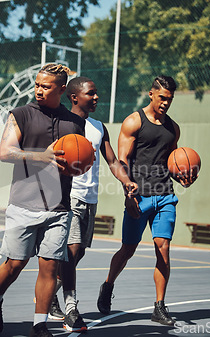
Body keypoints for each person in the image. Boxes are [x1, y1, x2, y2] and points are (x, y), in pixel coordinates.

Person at [0, 63, 85, 337]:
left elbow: (80, 158)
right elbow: (6, 152)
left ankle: (39, 325)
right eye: (37, 84)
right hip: (23, 203)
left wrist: (79, 164)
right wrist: (42, 156)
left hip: (59, 207)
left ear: (62, 89)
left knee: (50, 266)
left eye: (46, 86)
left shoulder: (75, 122)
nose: (38, 90)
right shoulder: (21, 114)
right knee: (15, 265)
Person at [96, 75, 196, 326]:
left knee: (163, 249)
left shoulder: (173, 128)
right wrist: (128, 195)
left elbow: (173, 160)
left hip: (165, 196)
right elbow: (122, 161)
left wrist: (183, 176)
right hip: (139, 196)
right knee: (128, 249)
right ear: (151, 94)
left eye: (170, 99)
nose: (165, 103)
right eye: (162, 98)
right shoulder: (133, 122)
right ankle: (108, 285)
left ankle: (159, 306)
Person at [53, 77, 138, 332]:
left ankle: (48, 290)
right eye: (91, 93)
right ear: (74, 97)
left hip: (91, 198)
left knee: (78, 253)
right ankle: (71, 308)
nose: (96, 97)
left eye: (97, 93)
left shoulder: (99, 127)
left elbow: (113, 161)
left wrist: (126, 181)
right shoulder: (62, 122)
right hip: (70, 195)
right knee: (73, 250)